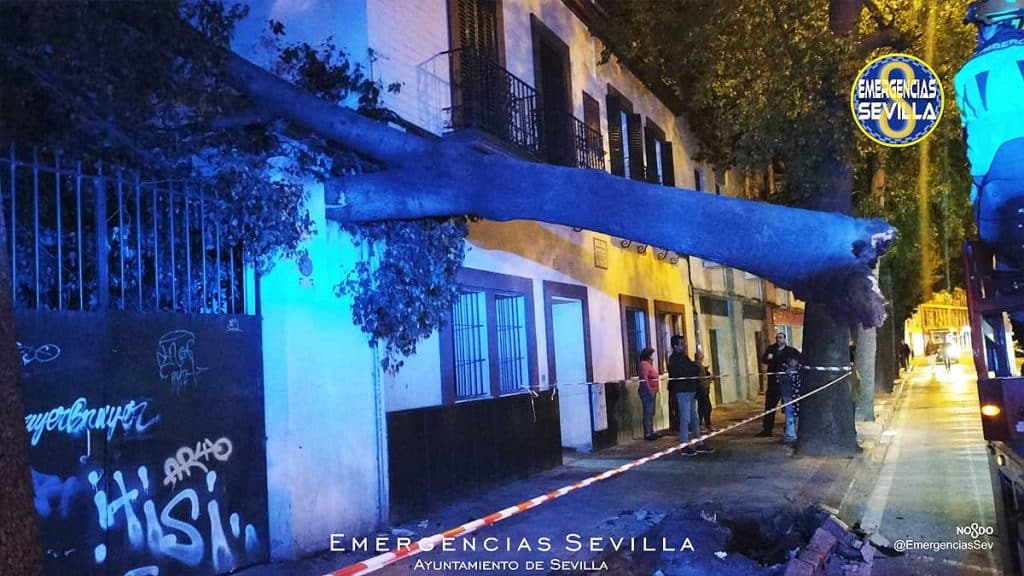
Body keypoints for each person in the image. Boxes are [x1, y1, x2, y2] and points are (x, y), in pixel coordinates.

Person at [667, 336, 715, 456]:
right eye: (681, 344)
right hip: (682, 391)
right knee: (685, 418)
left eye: (684, 343)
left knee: (695, 418)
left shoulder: (684, 357)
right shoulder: (674, 359)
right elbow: (689, 370)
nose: (684, 346)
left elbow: (694, 368)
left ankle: (699, 443)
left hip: (691, 390)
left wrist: (693, 368)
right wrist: (693, 368)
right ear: (675, 346)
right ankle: (684, 445)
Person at [758, 332, 801, 437]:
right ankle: (767, 429)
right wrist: (769, 358)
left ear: (785, 339)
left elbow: (799, 360)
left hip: (787, 383)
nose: (779, 340)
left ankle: (790, 429)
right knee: (770, 406)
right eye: (777, 338)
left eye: (781, 338)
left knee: (789, 406)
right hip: (773, 383)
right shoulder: (771, 349)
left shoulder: (790, 351)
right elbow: (763, 359)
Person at [638, 347, 660, 441]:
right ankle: (647, 433)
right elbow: (645, 378)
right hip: (647, 392)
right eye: (652, 354)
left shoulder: (649, 364)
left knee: (651, 412)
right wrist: (649, 390)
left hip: (652, 391)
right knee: (648, 412)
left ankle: (651, 431)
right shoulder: (644, 364)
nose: (653, 356)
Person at [779, 357, 802, 444]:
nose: (793, 362)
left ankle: (794, 432)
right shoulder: (784, 369)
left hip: (798, 395)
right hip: (788, 395)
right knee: (789, 415)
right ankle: (790, 435)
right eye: (791, 360)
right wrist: (787, 375)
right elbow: (780, 379)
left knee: (797, 415)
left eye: (795, 360)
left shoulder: (800, 369)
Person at [694, 349, 714, 432]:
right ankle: (705, 424)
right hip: (702, 391)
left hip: (701, 390)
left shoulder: (698, 366)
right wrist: (709, 380)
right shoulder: (698, 367)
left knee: (702, 408)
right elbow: (702, 380)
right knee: (706, 407)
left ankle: (702, 424)